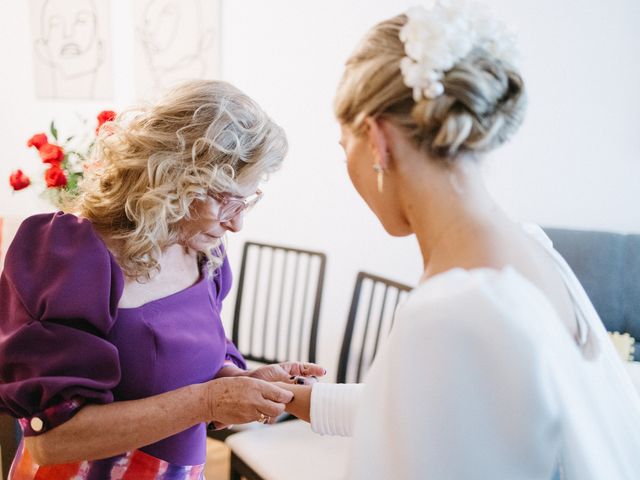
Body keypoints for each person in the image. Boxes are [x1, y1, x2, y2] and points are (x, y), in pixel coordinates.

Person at [281, 2, 640, 479]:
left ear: (377, 139)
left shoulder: (450, 314)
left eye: (343, 145)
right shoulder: (529, 248)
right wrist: (297, 399)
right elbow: (442, 401)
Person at [0, 80, 324, 479]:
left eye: (249, 199)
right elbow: (52, 442)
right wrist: (208, 401)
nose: (237, 224)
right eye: (229, 200)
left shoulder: (204, 252)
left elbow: (177, 366)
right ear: (174, 177)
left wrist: (237, 382)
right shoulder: (74, 256)